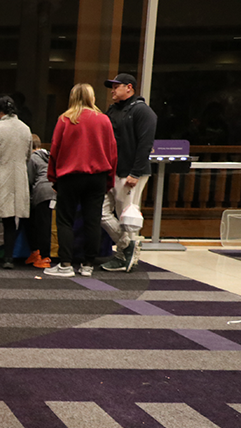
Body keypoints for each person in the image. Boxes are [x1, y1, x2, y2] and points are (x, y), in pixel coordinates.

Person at [43, 84, 117, 278]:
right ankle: (88, 264)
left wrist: (53, 177)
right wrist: (109, 180)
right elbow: (112, 152)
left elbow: (55, 151)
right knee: (92, 220)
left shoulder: (65, 119)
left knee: (65, 220)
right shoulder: (104, 120)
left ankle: (66, 264)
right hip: (97, 177)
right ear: (92, 97)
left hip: (70, 176)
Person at [100, 73, 157, 274]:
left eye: (116, 87)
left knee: (128, 217)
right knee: (103, 212)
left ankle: (124, 255)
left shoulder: (143, 111)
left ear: (129, 88)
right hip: (114, 170)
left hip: (130, 172)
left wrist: (135, 172)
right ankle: (127, 247)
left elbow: (145, 145)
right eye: (112, 87)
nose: (113, 91)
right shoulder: (113, 111)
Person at [0, 96, 33, 269]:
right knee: (10, 220)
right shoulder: (25, 129)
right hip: (17, 179)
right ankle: (9, 259)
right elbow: (28, 156)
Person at [24, 134, 55, 269]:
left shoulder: (32, 158)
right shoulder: (49, 156)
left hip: (41, 192)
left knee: (41, 226)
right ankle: (38, 253)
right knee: (43, 224)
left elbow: (29, 179)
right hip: (53, 190)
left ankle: (43, 256)